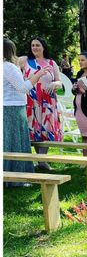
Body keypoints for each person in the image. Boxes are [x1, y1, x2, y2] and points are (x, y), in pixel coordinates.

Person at [20, 37, 64, 169]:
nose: (35, 47)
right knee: (33, 129)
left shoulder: (51, 63)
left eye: (37, 45)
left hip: (47, 102)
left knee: (46, 129)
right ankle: (39, 160)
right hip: (31, 101)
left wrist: (55, 84)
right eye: (32, 45)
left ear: (43, 47)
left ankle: (42, 160)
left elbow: (59, 81)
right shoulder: (25, 61)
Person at [4, 38, 43, 180]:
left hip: (5, 107)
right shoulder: (9, 67)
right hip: (13, 108)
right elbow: (22, 88)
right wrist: (37, 76)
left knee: (7, 141)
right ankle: (17, 177)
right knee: (16, 142)